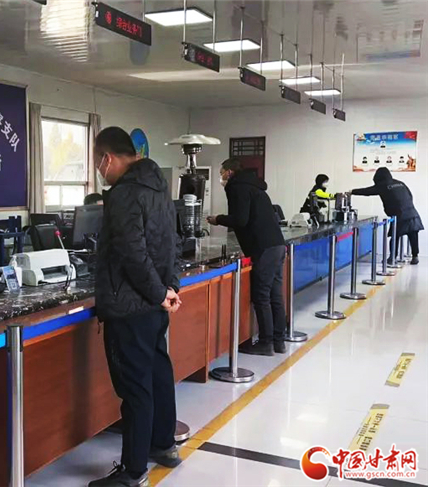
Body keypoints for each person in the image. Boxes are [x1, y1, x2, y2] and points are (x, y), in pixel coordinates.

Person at [90, 127, 183, 487]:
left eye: (98, 162)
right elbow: (172, 243)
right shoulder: (159, 188)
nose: (99, 170)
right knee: (158, 374)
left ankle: (132, 471)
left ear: (108, 158)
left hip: (129, 307)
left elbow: (132, 254)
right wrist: (169, 288)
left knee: (135, 388)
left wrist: (160, 292)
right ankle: (163, 445)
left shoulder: (124, 194)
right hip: (153, 306)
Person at [206, 159, 287, 356]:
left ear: (230, 172)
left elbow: (241, 220)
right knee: (275, 295)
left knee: (261, 296)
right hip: (277, 244)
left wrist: (218, 219)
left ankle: (266, 343)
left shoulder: (237, 187)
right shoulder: (255, 187)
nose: (221, 177)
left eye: (222, 172)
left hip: (263, 248)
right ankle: (279, 341)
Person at [352, 167, 422, 265]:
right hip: (412, 213)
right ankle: (415, 256)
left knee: (395, 237)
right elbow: (410, 195)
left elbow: (367, 191)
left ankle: (392, 257)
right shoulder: (400, 183)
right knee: (413, 236)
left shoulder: (383, 185)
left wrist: (352, 191)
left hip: (399, 215)